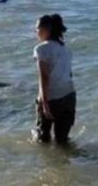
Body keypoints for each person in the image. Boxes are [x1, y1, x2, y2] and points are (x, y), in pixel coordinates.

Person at [33, 14, 77, 144]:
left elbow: (44, 77)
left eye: (37, 29)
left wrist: (44, 104)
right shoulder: (65, 49)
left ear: (46, 30)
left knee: (43, 139)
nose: (36, 32)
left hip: (52, 99)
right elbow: (69, 75)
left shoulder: (41, 49)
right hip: (69, 96)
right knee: (62, 140)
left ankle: (46, 163)